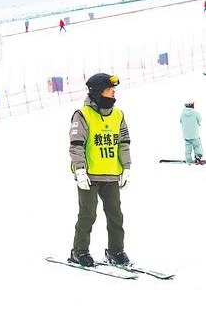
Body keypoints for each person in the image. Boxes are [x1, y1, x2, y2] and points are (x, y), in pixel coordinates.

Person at [68, 73, 131, 267]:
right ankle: (79, 251)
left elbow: (124, 143)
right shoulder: (82, 115)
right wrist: (79, 170)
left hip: (112, 174)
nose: (113, 93)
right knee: (88, 214)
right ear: (97, 92)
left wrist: (126, 167)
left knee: (115, 215)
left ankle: (116, 250)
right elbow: (76, 145)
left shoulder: (118, 115)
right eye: (110, 89)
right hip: (89, 176)